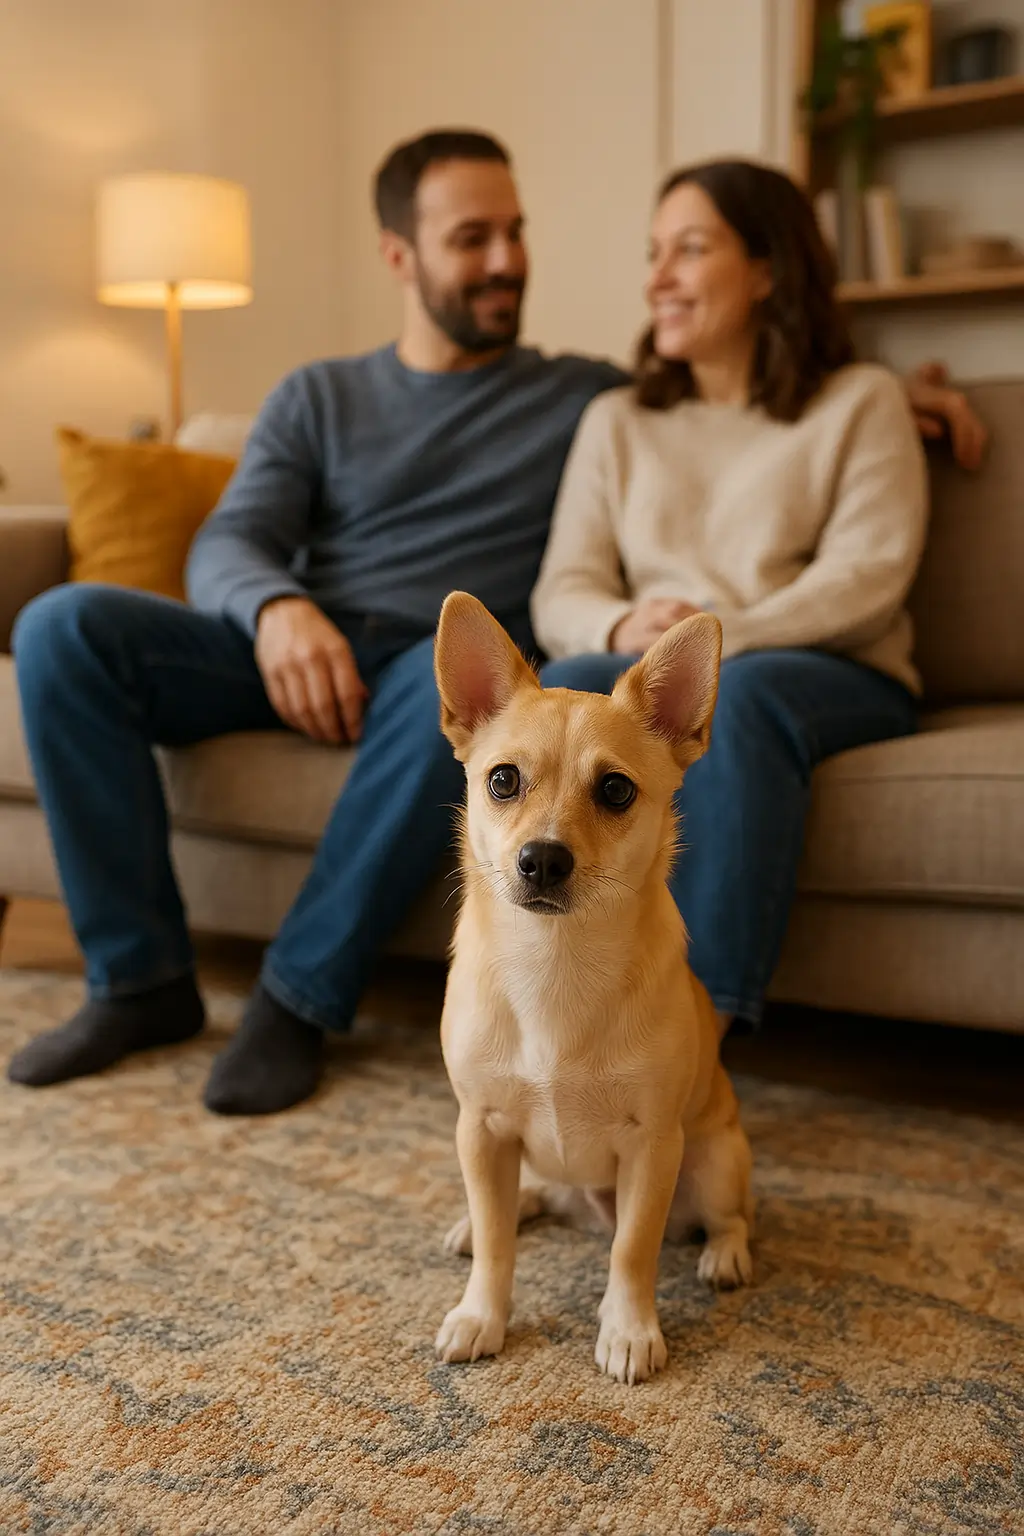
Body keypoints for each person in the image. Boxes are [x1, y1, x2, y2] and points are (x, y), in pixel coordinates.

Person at [7, 131, 985, 1113]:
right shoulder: (322, 396)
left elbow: (745, 390)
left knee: (452, 704)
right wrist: (276, 609)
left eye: (514, 233)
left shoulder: (572, 395)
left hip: (424, 666)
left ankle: (298, 996)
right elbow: (227, 542)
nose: (507, 260)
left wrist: (902, 393)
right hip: (300, 639)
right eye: (472, 238)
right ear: (399, 255)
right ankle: (136, 983)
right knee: (61, 629)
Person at [532, 157, 978, 1040]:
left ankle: (697, 1031)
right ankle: (554, 1012)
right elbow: (565, 585)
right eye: (654, 252)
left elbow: (867, 575)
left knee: (744, 697)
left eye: (689, 250)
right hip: (651, 671)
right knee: (570, 681)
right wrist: (625, 628)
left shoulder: (861, 402)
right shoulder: (616, 421)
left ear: (768, 269)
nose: (657, 278)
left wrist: (708, 645)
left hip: (824, 672)